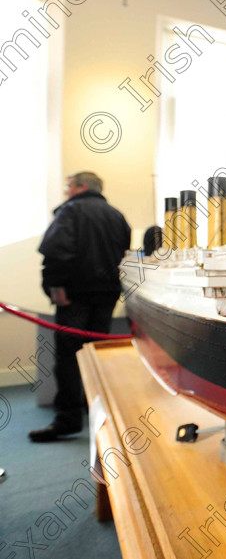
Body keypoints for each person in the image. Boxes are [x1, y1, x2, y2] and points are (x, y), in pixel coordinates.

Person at [29, 172, 131, 442]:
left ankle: (68, 420)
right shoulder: (116, 215)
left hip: (75, 295)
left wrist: (54, 286)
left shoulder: (70, 211)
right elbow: (124, 255)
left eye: (68, 186)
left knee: (68, 358)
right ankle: (96, 411)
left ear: (82, 186)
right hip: (107, 294)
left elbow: (55, 251)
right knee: (96, 354)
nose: (66, 191)